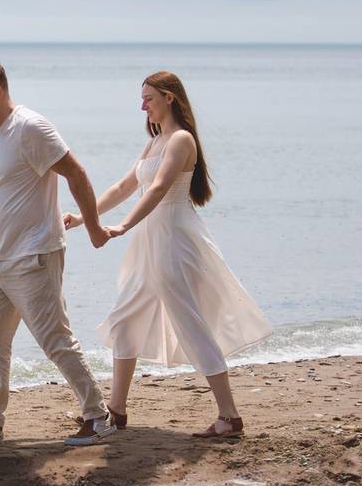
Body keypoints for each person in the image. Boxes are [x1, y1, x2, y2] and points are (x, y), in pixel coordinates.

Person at [64, 71, 272, 438]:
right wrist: (84, 218)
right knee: (125, 319)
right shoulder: (155, 143)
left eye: (148, 98)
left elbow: (159, 189)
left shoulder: (180, 140)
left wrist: (123, 227)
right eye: (142, 99)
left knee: (189, 323)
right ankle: (116, 411)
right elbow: (125, 186)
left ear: (169, 98)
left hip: (174, 242)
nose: (142, 105)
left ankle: (229, 417)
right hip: (149, 243)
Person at [0, 57, 114, 446]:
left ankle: (99, 417)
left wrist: (93, 227)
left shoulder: (30, 128)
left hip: (34, 255)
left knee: (55, 339)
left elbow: (77, 174)